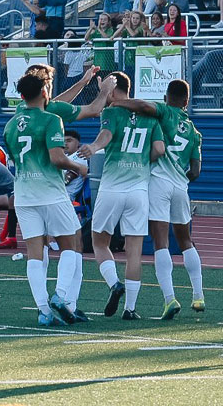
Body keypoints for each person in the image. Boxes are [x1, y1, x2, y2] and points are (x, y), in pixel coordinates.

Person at [111, 79, 205, 317]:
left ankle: (170, 299)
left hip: (158, 183)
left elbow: (143, 106)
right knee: (186, 241)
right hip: (180, 187)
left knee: (160, 242)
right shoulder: (195, 132)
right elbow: (195, 171)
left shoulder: (164, 112)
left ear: (166, 97)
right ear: (187, 101)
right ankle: (198, 296)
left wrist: (119, 101)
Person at [4, 67, 89, 326]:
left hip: (24, 194)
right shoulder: (51, 119)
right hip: (50, 192)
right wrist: (79, 167)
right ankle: (61, 297)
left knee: (35, 253)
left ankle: (43, 310)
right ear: (44, 91)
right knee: (71, 245)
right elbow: (56, 157)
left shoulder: (10, 125)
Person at [77, 72, 164, 320]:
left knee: (99, 242)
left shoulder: (111, 112)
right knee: (134, 251)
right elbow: (159, 149)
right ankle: (131, 308)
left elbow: (106, 136)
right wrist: (140, 163)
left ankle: (114, 284)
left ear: (112, 90)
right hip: (139, 189)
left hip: (112, 187)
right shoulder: (150, 116)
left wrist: (93, 147)